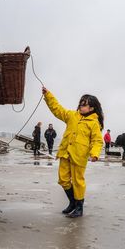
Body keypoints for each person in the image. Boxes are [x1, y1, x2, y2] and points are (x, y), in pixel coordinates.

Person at [42, 87, 104, 218]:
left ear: (91, 108)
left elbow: (97, 141)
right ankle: (72, 203)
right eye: (80, 103)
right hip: (65, 153)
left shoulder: (94, 123)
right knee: (63, 179)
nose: (81, 106)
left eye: (84, 104)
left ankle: (79, 208)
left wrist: (95, 154)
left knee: (78, 182)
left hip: (79, 156)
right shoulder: (72, 116)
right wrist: (48, 95)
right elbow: (57, 109)